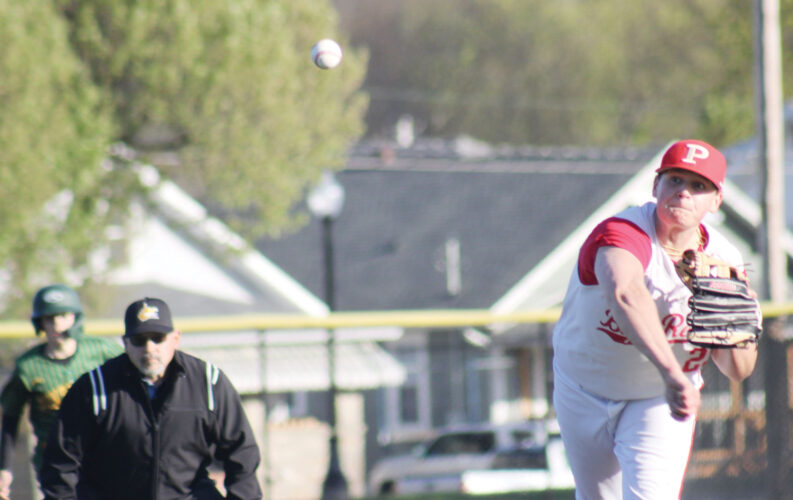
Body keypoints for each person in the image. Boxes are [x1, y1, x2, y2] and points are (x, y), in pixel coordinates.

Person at [551, 139, 760, 499]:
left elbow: (738, 370)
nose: (684, 192)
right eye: (675, 179)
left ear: (716, 200)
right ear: (655, 186)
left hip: (658, 400)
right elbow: (625, 292)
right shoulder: (623, 232)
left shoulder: (724, 261)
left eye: (698, 186)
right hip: (583, 390)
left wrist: (734, 321)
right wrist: (671, 372)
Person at [39, 297, 262, 500]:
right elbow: (61, 462)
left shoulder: (208, 383)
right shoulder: (95, 388)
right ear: (126, 343)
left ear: (175, 338)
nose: (149, 348)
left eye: (158, 338)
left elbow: (242, 453)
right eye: (139, 340)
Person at [0, 284, 123, 500]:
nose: (57, 324)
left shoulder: (102, 351)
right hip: (54, 461)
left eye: (63, 316)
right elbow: (11, 418)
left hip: (102, 455)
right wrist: (5, 468)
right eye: (49, 318)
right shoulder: (29, 366)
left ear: (75, 318)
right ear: (40, 323)